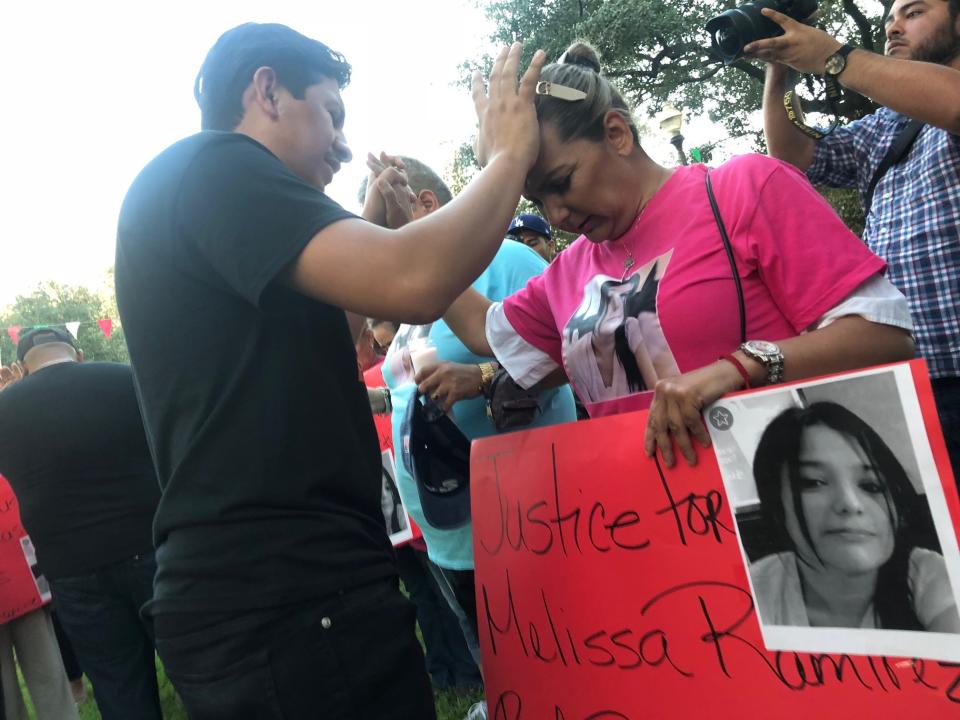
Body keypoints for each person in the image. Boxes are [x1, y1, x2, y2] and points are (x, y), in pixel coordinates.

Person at [115, 21, 546, 718]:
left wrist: (369, 222)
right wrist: (507, 156)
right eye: (332, 115)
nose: (345, 146)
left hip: (285, 589)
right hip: (286, 594)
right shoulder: (217, 168)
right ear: (267, 91)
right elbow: (414, 279)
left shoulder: (212, 201)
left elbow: (345, 342)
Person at [443, 42, 917, 471]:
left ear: (616, 134)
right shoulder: (565, 273)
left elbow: (884, 335)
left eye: (562, 182)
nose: (557, 213)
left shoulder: (743, 189)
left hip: (781, 506)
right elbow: (480, 328)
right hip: (650, 535)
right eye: (538, 201)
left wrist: (738, 368)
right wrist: (407, 230)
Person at [754, 0, 960, 481]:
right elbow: (794, 156)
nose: (893, 26)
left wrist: (834, 56)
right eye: (889, 17)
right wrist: (779, 67)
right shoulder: (886, 123)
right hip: (906, 375)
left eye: (913, 13)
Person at [0, 328, 163, 720]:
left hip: (72, 576)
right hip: (156, 554)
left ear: (22, 367)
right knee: (199, 669)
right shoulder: (125, 377)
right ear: (79, 353)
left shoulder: (4, 412)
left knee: (118, 687)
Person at [750, 401, 960, 631]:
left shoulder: (928, 576)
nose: (850, 504)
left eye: (871, 485)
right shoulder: (758, 587)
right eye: (813, 482)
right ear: (774, 501)